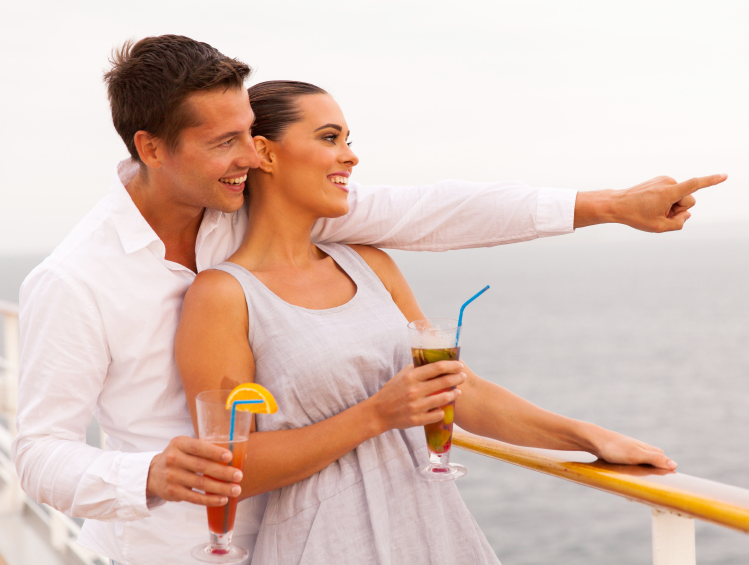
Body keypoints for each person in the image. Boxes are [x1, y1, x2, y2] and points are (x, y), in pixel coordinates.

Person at [11, 35, 724, 565]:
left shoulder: (263, 209)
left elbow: (438, 210)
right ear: (152, 147)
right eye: (227, 141)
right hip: (178, 551)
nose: (250, 155)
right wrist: (145, 471)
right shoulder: (79, 280)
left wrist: (610, 206)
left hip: (353, 529)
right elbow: (40, 452)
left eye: (252, 137)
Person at [175, 80, 679, 564]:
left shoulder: (368, 264)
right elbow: (230, 468)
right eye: (330, 138)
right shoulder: (223, 294)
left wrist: (588, 437)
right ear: (264, 153)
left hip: (432, 532)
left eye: (349, 140)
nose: (351, 155)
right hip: (323, 545)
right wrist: (377, 414)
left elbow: (457, 392)